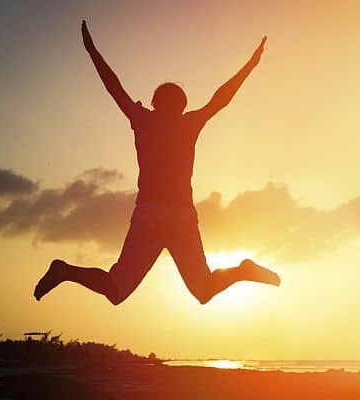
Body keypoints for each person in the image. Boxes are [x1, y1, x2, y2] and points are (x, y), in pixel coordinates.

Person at [34, 21, 280, 306]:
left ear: (154, 102)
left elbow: (114, 87)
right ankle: (241, 272)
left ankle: (65, 271)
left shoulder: (143, 119)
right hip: (181, 217)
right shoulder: (189, 124)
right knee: (203, 291)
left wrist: (92, 51)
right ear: (183, 105)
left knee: (115, 291)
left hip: (149, 215)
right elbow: (220, 99)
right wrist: (250, 65)